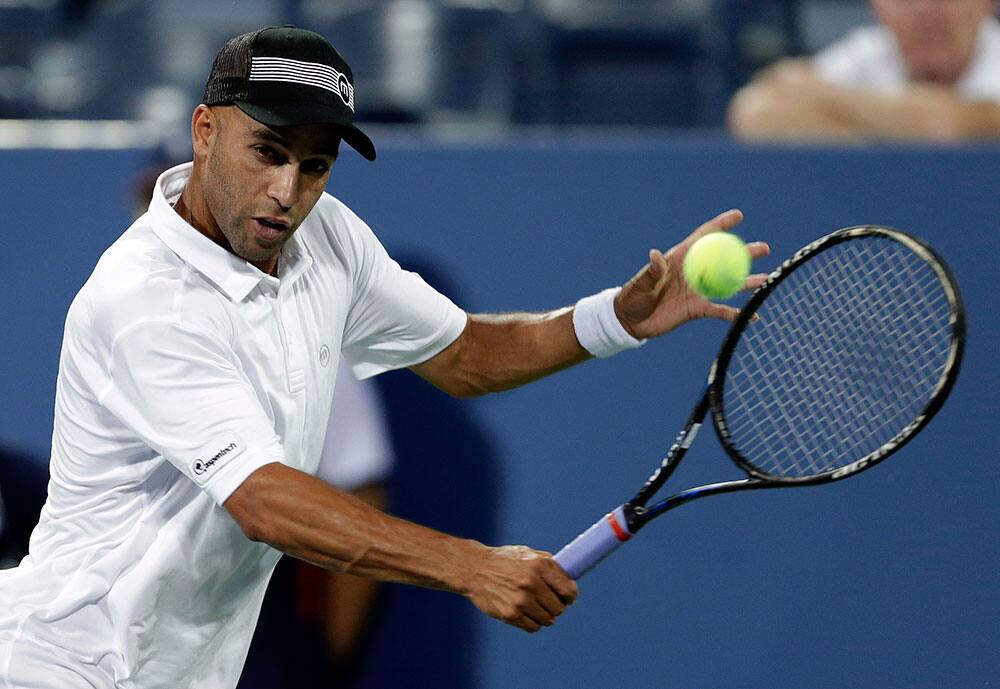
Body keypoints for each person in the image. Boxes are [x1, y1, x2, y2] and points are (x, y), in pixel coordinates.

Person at [0, 26, 769, 689]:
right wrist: (474, 566)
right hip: (61, 667)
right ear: (205, 131)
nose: (287, 191)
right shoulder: (149, 303)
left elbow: (464, 353)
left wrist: (617, 318)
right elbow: (265, 500)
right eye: (266, 151)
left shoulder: (325, 236)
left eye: (315, 164)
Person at [727, 0, 1000, 142]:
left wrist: (836, 105)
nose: (924, 10)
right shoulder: (867, 51)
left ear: (986, 4)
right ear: (877, 8)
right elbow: (754, 112)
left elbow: (957, 124)